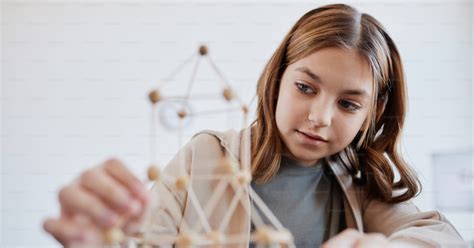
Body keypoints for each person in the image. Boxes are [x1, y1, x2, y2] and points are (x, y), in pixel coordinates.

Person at [43, 3, 467, 247]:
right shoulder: (206, 156)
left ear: (372, 112)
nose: (320, 117)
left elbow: (441, 238)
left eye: (348, 103)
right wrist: (108, 237)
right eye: (305, 87)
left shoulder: (359, 182)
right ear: (277, 79)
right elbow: (144, 237)